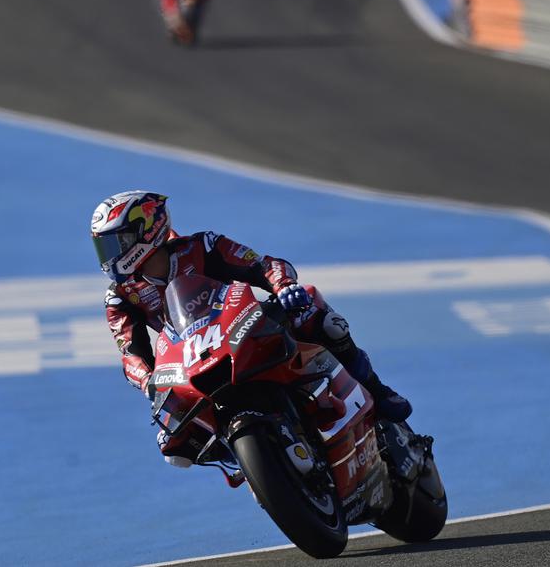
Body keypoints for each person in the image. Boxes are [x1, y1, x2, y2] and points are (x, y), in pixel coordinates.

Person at [91, 190, 413, 467]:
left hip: (239, 325)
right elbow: (130, 354)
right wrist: (148, 382)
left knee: (317, 314)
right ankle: (251, 464)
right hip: (188, 360)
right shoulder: (120, 296)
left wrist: (284, 286)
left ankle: (377, 390)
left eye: (116, 243)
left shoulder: (202, 246)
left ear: (147, 229)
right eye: (104, 248)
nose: (110, 256)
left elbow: (263, 265)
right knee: (172, 445)